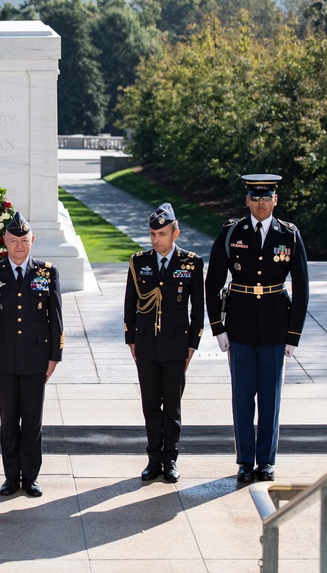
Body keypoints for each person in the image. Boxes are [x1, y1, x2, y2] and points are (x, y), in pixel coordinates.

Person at [204, 174, 309, 483]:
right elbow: (213, 284)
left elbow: (302, 287)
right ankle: (245, 461)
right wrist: (218, 327)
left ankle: (265, 460)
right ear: (246, 199)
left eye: (267, 197)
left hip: (276, 325)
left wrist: (294, 334)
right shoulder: (231, 233)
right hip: (240, 323)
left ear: (275, 199)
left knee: (270, 397)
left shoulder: (288, 235)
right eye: (255, 197)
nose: (261, 203)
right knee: (242, 395)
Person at [0, 211, 64, 498]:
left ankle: (31, 477)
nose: (19, 246)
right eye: (13, 240)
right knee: (8, 422)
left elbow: (56, 319)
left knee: (32, 421)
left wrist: (54, 357)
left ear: (32, 240)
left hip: (36, 359)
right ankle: (10, 476)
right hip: (3, 360)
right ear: (5, 241)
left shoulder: (47, 272)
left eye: (24, 240)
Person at [124, 203, 204, 483]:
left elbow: (198, 309)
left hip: (175, 345)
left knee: (171, 406)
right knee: (149, 405)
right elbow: (130, 303)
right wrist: (130, 339)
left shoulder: (191, 263)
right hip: (146, 345)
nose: (156, 240)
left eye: (162, 234)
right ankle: (153, 458)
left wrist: (192, 345)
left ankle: (170, 459)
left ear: (175, 233)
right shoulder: (139, 262)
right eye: (152, 234)